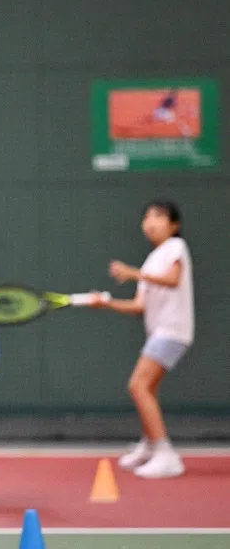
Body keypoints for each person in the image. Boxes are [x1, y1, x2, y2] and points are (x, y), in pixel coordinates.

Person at [90, 200, 193, 478]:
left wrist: (132, 272)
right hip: (160, 332)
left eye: (159, 216)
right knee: (147, 388)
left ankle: (165, 453)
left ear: (174, 225)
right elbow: (140, 306)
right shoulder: (152, 260)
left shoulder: (175, 247)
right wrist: (107, 302)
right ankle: (150, 445)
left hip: (172, 330)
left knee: (138, 385)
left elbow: (173, 280)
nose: (151, 221)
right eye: (147, 216)